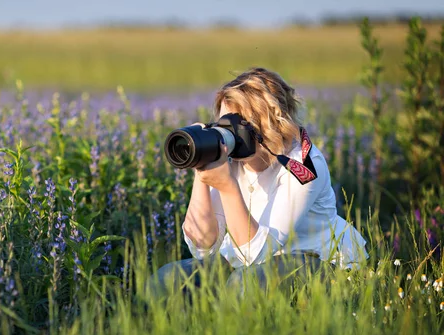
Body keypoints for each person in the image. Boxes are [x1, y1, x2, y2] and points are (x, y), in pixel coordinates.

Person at [146, 67, 368, 299]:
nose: (227, 133)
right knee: (166, 280)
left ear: (272, 122)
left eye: (236, 124)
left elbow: (256, 253)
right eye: (223, 123)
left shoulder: (304, 165)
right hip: (250, 264)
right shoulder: (231, 159)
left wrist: (227, 187)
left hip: (321, 263)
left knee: (244, 284)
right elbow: (202, 245)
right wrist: (200, 167)